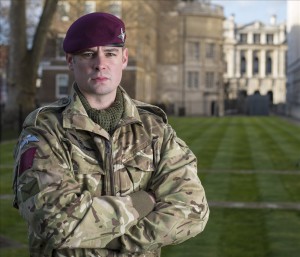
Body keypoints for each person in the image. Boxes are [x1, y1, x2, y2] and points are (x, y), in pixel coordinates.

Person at [12, 12, 209, 257]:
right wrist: (144, 203)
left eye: (111, 53)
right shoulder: (45, 130)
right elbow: (54, 223)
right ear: (70, 61)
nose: (100, 63)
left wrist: (119, 241)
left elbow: (193, 210)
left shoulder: (154, 129)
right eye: (88, 54)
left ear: (123, 58)